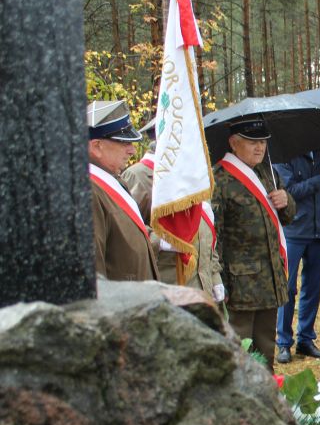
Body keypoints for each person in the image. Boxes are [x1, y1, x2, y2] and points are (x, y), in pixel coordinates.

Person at [212, 118, 295, 372]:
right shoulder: (219, 179)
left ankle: (266, 392)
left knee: (265, 351)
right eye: (252, 142)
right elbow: (215, 236)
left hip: (269, 280)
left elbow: (288, 217)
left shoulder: (267, 173)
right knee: (238, 352)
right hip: (239, 285)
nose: (260, 147)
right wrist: (220, 281)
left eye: (263, 142)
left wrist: (286, 201)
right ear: (233, 143)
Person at [122, 118, 225, 299]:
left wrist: (214, 276)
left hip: (201, 287)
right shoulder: (138, 176)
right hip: (167, 289)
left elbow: (206, 231)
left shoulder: (194, 175)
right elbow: (127, 232)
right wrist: (161, 240)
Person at [273, 148, 320, 363]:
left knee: (312, 288)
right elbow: (288, 192)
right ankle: (283, 342)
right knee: (287, 287)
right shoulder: (283, 156)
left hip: (318, 230)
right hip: (293, 230)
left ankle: (306, 339)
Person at [87, 99, 158, 282]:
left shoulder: (112, 180)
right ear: (97, 146)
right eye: (124, 143)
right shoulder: (89, 192)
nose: (132, 151)